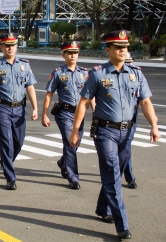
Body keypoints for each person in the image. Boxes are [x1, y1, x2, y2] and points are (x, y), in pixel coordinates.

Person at [69, 30, 160, 240]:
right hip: (105, 132)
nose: (122, 51)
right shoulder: (98, 73)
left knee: (115, 174)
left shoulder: (136, 73)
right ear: (107, 50)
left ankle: (102, 207)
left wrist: (154, 125)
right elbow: (83, 103)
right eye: (117, 47)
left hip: (127, 132)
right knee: (111, 172)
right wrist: (75, 130)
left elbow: (145, 101)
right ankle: (122, 224)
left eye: (125, 47)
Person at [0, 33, 38, 190]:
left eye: (12, 45)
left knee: (18, 141)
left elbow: (30, 87)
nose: (10, 48)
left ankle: (6, 160)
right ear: (1, 47)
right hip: (2, 108)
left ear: (16, 47)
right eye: (7, 45)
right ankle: (10, 177)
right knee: (6, 142)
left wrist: (35, 107)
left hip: (20, 108)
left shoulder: (24, 65)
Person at [41, 40, 93, 190]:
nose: (72, 56)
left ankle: (63, 162)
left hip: (80, 114)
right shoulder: (58, 73)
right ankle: (73, 177)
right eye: (69, 53)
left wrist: (96, 112)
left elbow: (91, 95)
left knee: (76, 143)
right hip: (65, 113)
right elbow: (49, 94)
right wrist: (44, 114)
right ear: (63, 54)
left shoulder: (85, 73)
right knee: (71, 143)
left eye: (75, 53)